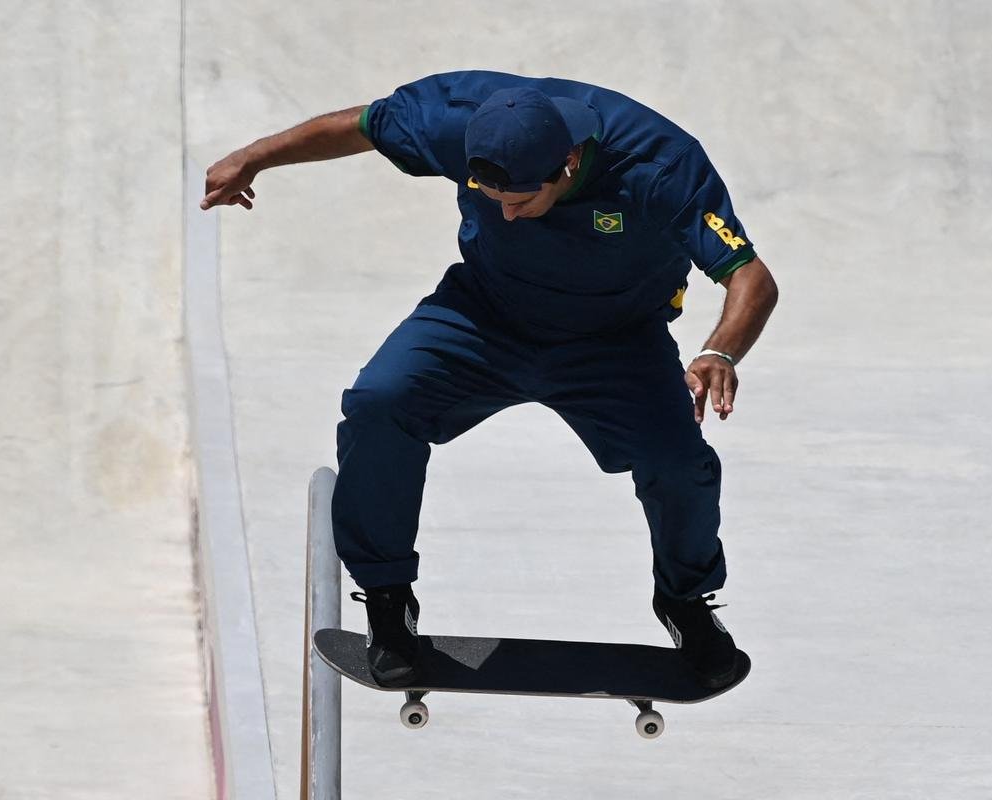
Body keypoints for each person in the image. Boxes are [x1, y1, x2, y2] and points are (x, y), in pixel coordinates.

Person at [202, 70, 779, 690]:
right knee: (379, 403)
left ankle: (687, 603)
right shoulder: (457, 117)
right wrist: (253, 158)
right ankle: (388, 599)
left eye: (522, 199)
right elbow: (363, 125)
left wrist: (720, 351)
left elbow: (751, 276)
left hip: (616, 338)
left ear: (568, 163)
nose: (506, 212)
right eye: (491, 195)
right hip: (484, 316)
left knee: (678, 462)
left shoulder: (659, 163)